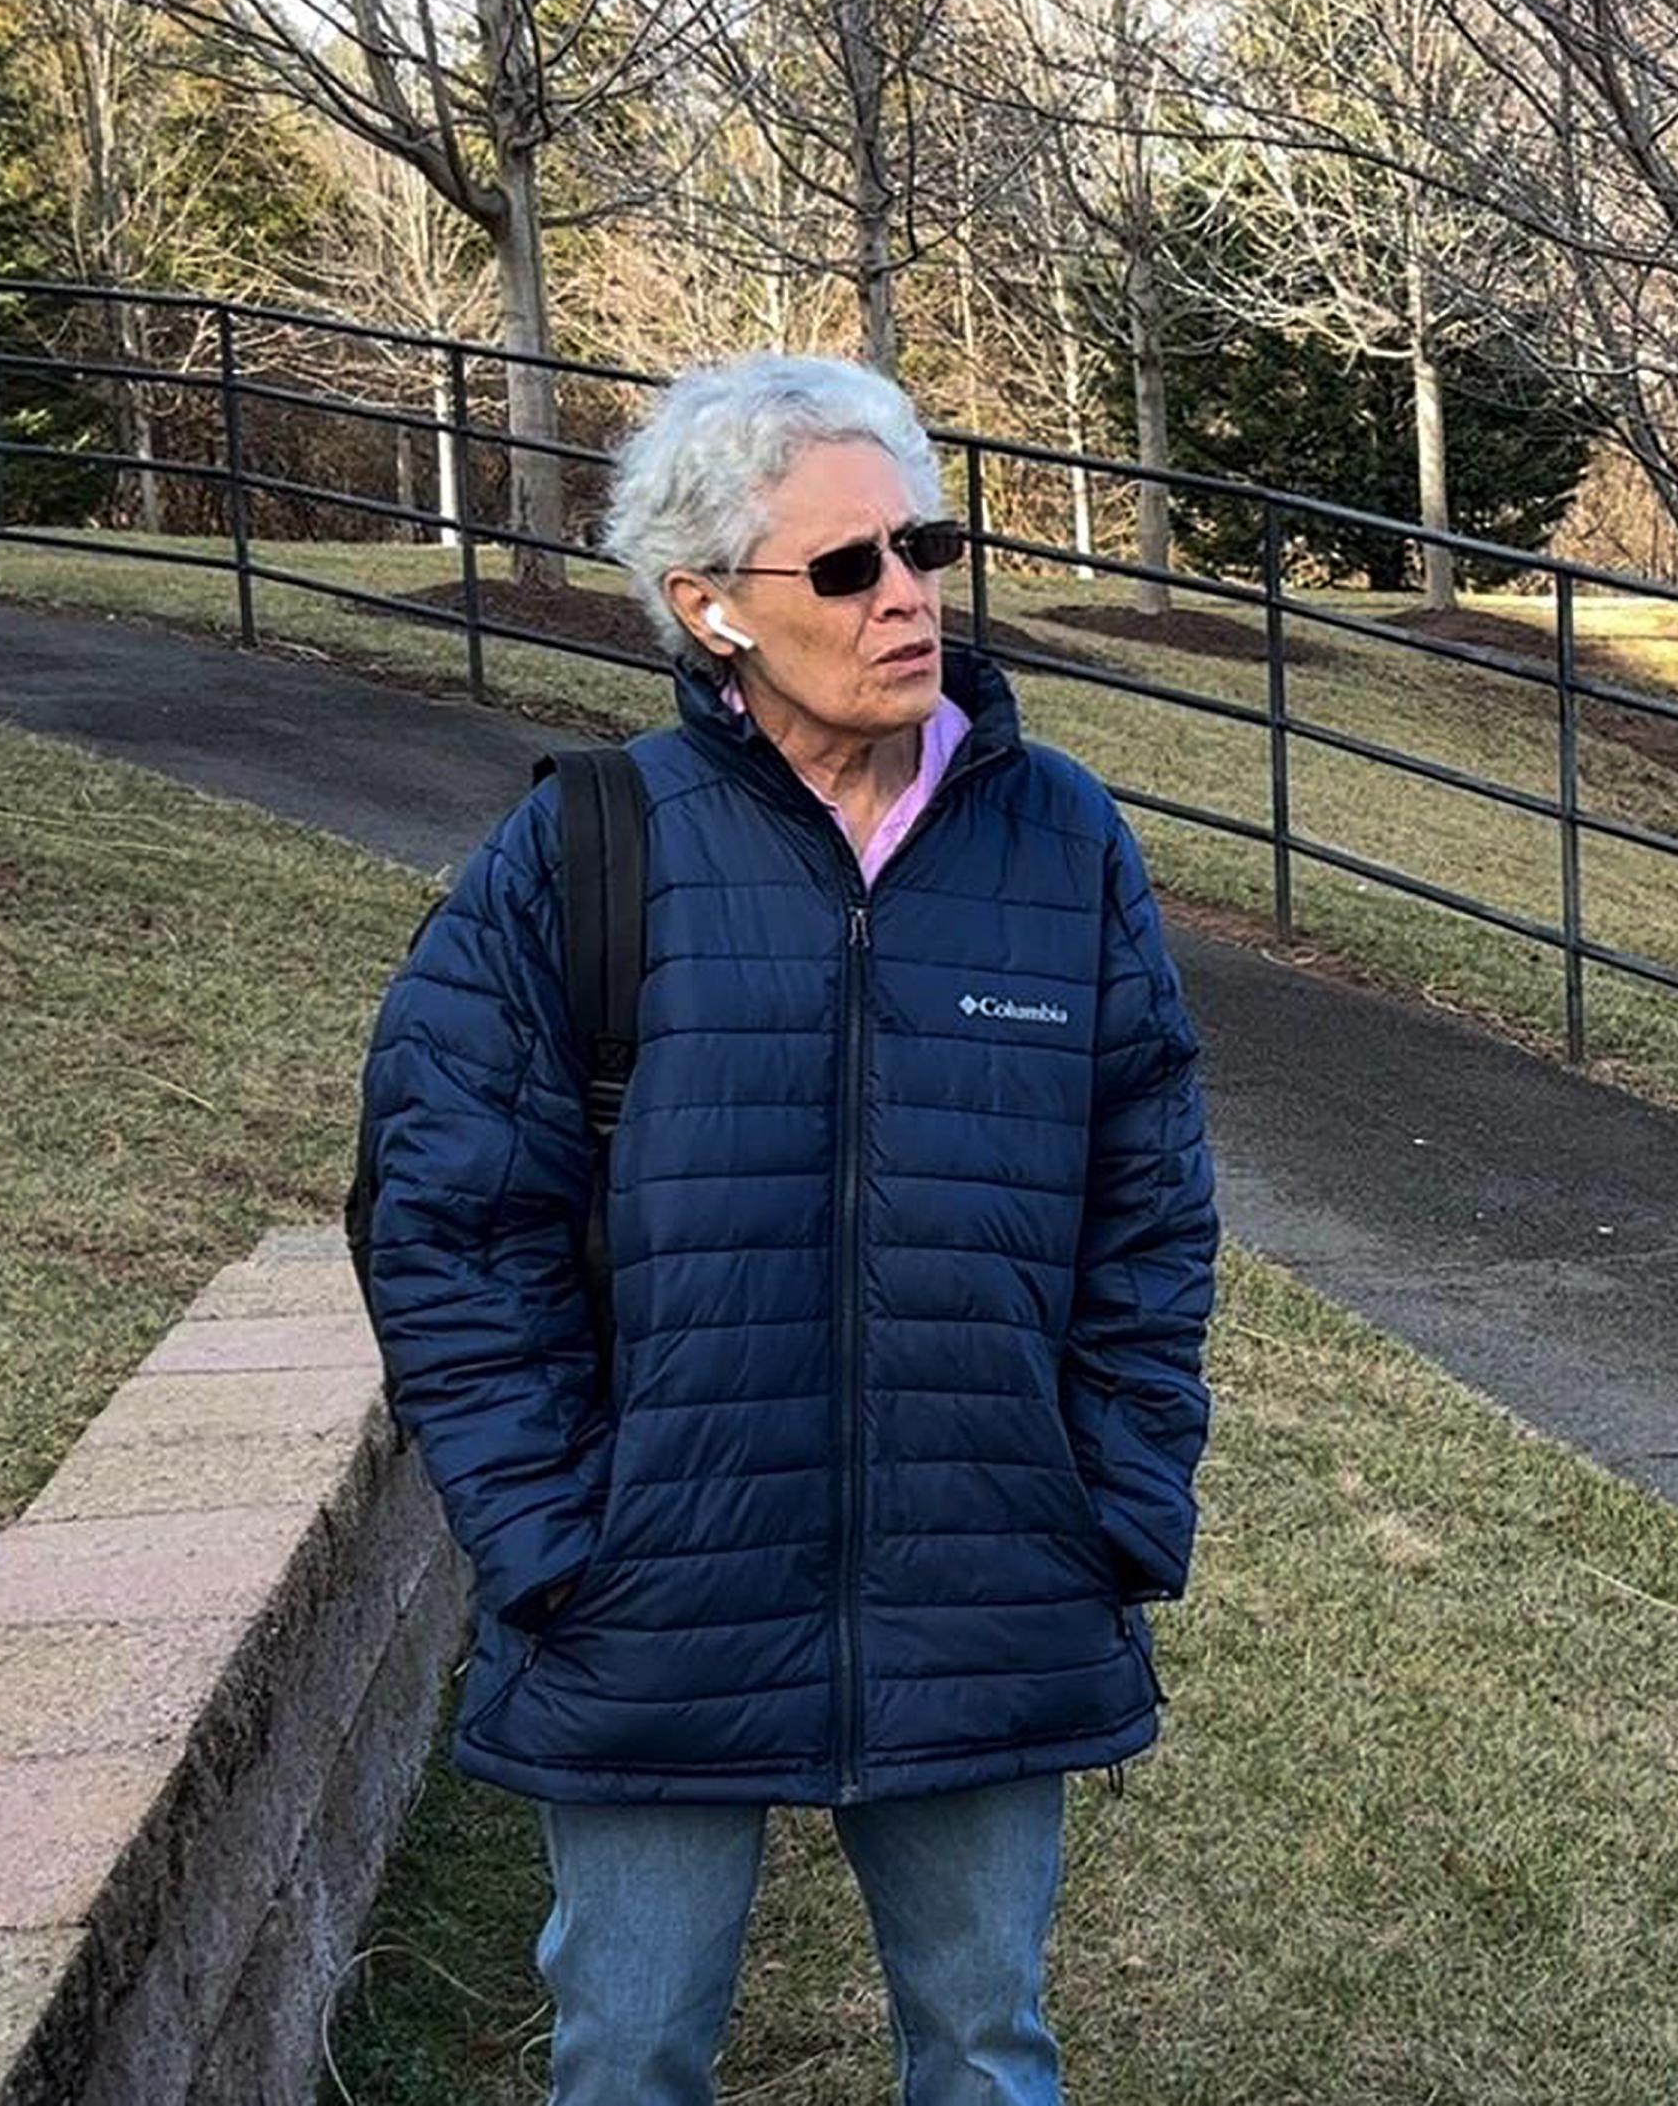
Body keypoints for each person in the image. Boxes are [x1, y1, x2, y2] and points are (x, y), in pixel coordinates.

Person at [357, 353, 1219, 2106]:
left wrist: (1114, 1493)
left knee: (988, 2050)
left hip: (993, 1574)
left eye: (923, 545)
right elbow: (447, 1222)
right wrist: (548, 1532)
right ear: (707, 609)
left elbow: (1151, 1208)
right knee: (631, 2051)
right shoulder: (581, 851)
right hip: (647, 1590)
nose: (906, 596)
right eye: (845, 566)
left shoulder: (1061, 842)